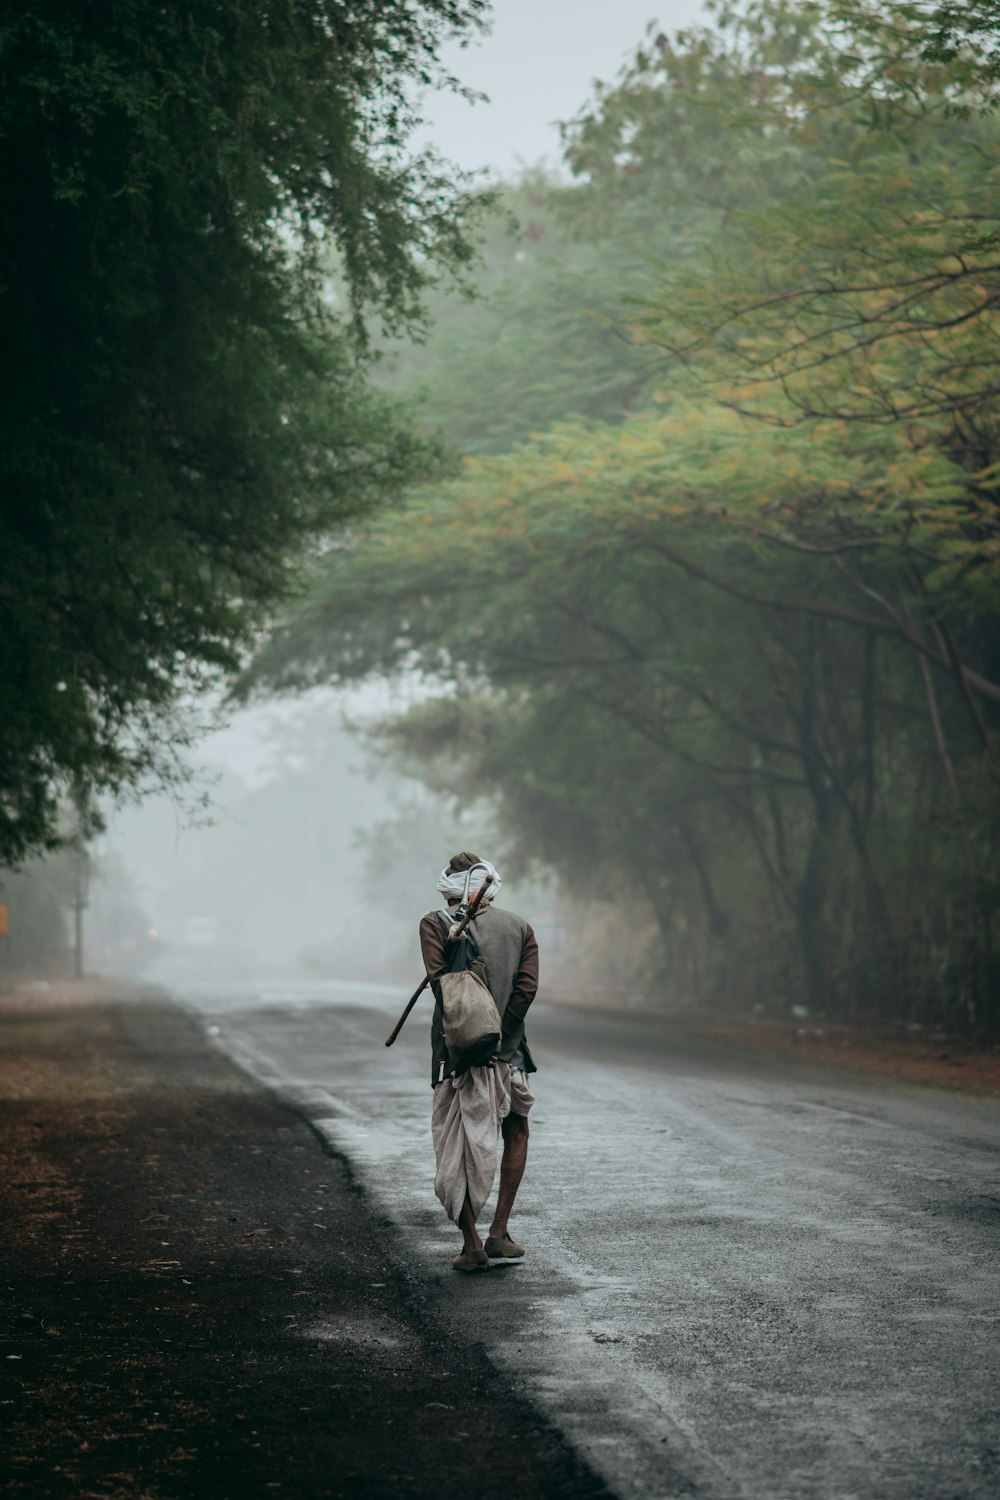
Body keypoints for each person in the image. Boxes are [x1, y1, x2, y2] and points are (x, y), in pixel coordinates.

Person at [419, 851, 539, 1273]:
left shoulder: (434, 924)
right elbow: (525, 990)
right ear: (487, 884)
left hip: (458, 1051)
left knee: (459, 1142)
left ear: (450, 888)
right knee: (516, 1127)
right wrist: (502, 1035)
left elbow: (442, 988)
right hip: (510, 1052)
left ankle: (472, 1243)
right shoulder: (520, 927)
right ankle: (499, 1232)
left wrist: (479, 1036)